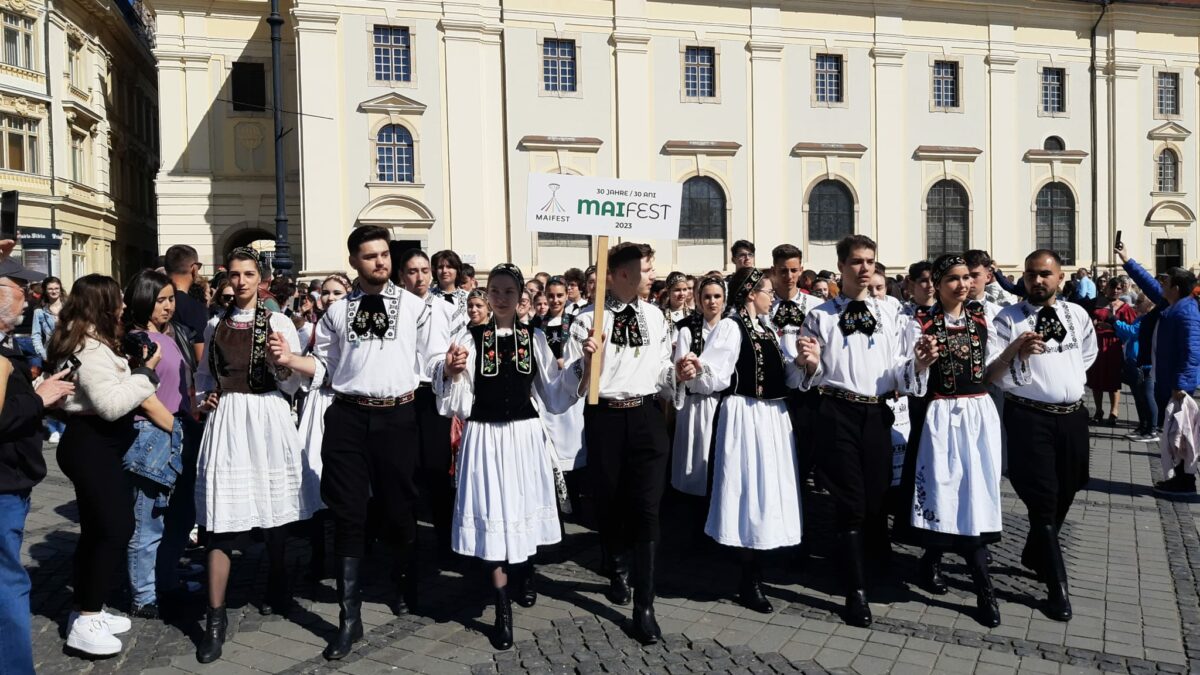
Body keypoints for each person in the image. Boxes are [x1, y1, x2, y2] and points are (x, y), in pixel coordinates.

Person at [270, 226, 450, 660]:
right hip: (348, 416)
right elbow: (327, 367)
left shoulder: (414, 307)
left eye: (385, 254)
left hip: (399, 417)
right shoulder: (336, 313)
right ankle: (349, 618)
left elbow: (434, 360)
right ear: (354, 261)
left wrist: (453, 366)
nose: (380, 263)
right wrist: (292, 359)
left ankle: (404, 579)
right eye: (370, 256)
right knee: (348, 513)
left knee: (398, 508)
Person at [435, 263, 579, 650]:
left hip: (524, 436)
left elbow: (554, 391)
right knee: (493, 511)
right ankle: (502, 607)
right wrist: (450, 370)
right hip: (483, 436)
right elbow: (453, 396)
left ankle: (526, 571)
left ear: (521, 298)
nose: (501, 298)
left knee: (521, 504)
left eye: (509, 292)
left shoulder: (533, 338)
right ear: (485, 295)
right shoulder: (469, 335)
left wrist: (582, 365)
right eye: (495, 291)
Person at [797, 235, 936, 627]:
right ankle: (855, 591)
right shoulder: (820, 315)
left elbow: (897, 369)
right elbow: (814, 372)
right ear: (841, 267)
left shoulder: (890, 312)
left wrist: (919, 366)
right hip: (837, 411)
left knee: (876, 498)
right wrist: (809, 364)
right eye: (856, 262)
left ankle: (867, 564)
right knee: (852, 501)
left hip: (877, 413)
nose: (864, 268)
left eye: (870, 261)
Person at [192, 248, 321, 663]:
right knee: (218, 520)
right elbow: (204, 375)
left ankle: (279, 582)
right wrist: (204, 397)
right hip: (228, 418)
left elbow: (291, 382)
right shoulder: (215, 324)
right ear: (227, 279)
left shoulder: (279, 321)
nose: (242, 281)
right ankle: (215, 620)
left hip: (267, 415)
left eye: (249, 274)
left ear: (260, 279)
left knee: (275, 512)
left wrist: (282, 363)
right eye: (235, 275)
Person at [563, 242, 688, 645]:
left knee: (648, 509)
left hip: (647, 417)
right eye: (647, 268)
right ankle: (616, 565)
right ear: (621, 274)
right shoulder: (585, 320)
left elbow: (660, 369)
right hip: (606, 418)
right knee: (612, 502)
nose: (653, 274)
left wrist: (680, 373)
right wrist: (586, 360)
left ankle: (644, 605)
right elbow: (572, 386)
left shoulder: (656, 316)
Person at [49, 274, 174, 656]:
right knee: (115, 527)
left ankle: (88, 607)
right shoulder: (87, 345)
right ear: (101, 304)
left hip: (95, 443)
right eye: (116, 300)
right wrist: (146, 373)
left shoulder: (92, 339)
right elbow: (111, 405)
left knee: (97, 530)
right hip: (91, 443)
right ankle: (87, 617)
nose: (122, 305)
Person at [906, 255, 1031, 628]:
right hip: (942, 416)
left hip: (978, 414)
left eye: (965, 278)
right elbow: (913, 381)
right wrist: (921, 364)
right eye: (952, 280)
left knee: (974, 493)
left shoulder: (981, 322)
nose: (961, 285)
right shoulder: (920, 324)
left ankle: (931, 561)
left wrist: (1014, 350)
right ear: (937, 285)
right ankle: (983, 590)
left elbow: (990, 373)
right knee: (947, 492)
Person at [681, 268, 808, 613]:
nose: (772, 295)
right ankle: (748, 575)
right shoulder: (731, 326)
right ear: (752, 294)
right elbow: (715, 373)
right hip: (745, 416)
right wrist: (698, 370)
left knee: (769, 489)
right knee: (749, 489)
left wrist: (803, 362)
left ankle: (763, 557)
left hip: (772, 417)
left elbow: (788, 378)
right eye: (767, 290)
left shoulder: (768, 330)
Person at [992, 249, 1098, 621]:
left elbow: (1087, 354)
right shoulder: (1008, 318)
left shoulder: (1077, 314)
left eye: (1045, 275)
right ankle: (1058, 590)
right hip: (1029, 418)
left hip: (1071, 418)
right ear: (1023, 278)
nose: (1038, 281)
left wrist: (1063, 381)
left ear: (1060, 279)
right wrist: (1020, 357)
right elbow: (995, 373)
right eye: (1032, 275)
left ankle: (1034, 551)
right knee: (1043, 500)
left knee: (1068, 488)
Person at [0, 252, 75, 673]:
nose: (28, 298)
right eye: (18, 288)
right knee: (8, 584)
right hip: (4, 486)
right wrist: (38, 399)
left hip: (12, 483)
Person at [121, 270, 196, 619]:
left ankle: (165, 579)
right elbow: (143, 395)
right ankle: (143, 595)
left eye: (170, 299)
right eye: (160, 300)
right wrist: (175, 429)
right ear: (143, 300)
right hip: (153, 434)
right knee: (148, 520)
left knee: (180, 515)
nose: (167, 306)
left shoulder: (167, 336)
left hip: (177, 428)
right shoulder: (138, 340)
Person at [393, 247, 459, 563]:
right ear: (401, 275)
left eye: (424, 270)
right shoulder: (395, 308)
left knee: (436, 468)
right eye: (412, 271)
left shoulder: (446, 308)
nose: (419, 277)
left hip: (434, 394)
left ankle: (445, 537)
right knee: (405, 468)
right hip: (402, 395)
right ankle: (405, 541)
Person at [1118, 245, 1200, 494]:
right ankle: (1179, 478)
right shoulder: (1172, 303)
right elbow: (1150, 286)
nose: (1160, 285)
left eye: (1166, 282)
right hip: (1166, 379)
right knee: (1172, 432)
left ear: (1176, 288)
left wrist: (1182, 386)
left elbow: (1192, 352)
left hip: (1177, 385)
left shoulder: (1187, 312)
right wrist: (1127, 260)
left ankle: (1185, 482)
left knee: (1182, 433)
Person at [296, 273, 352, 582]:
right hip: (319, 405)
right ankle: (317, 556)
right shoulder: (310, 331)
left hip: (346, 404)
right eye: (327, 292)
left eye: (337, 292)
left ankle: (350, 556)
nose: (331, 297)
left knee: (348, 484)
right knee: (314, 476)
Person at [671, 276, 725, 499]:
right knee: (693, 454)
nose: (712, 302)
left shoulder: (730, 329)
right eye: (707, 297)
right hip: (694, 403)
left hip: (721, 401)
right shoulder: (687, 330)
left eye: (717, 296)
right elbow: (680, 367)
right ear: (699, 300)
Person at [538, 277, 586, 495]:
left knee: (574, 439)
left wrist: (565, 364)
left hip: (570, 388)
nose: (555, 300)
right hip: (547, 389)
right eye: (551, 295)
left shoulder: (576, 322)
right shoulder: (537, 325)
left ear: (567, 295)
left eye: (559, 295)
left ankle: (577, 490)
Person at [1087, 277, 1137, 425]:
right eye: (1112, 287)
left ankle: (1114, 411)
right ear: (1105, 288)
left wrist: (1112, 328)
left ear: (1122, 290)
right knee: (1096, 378)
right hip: (1097, 344)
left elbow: (1131, 329)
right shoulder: (1097, 303)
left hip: (1115, 345)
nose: (1115, 291)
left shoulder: (1126, 307)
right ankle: (1098, 410)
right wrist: (1093, 323)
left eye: (1119, 288)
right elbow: (1087, 320)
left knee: (1113, 379)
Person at [1114, 294, 1161, 443]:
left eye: (1139, 302)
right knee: (1139, 397)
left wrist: (1114, 320)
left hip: (1146, 363)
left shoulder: (1149, 318)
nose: (1136, 304)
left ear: (1150, 304)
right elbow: (1128, 335)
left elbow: (1132, 331)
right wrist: (1114, 326)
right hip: (1135, 362)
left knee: (1147, 397)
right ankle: (1143, 427)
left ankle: (1152, 430)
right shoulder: (1141, 317)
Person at [32, 276, 66, 442]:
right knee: (53, 392)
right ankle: (53, 428)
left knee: (67, 391)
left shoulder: (69, 308)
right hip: (50, 357)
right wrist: (43, 354)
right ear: (45, 290)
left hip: (68, 354)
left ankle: (65, 427)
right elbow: (36, 335)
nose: (53, 291)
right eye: (50, 288)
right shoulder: (40, 312)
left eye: (56, 288)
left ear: (60, 289)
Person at [164, 245, 210, 362]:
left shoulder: (152, 300)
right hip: (184, 375)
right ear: (194, 268)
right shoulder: (194, 308)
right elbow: (201, 357)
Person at [433, 249, 468, 327]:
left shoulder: (468, 297)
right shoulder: (428, 297)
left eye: (449, 267)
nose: (444, 270)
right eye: (440, 267)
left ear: (457, 270)